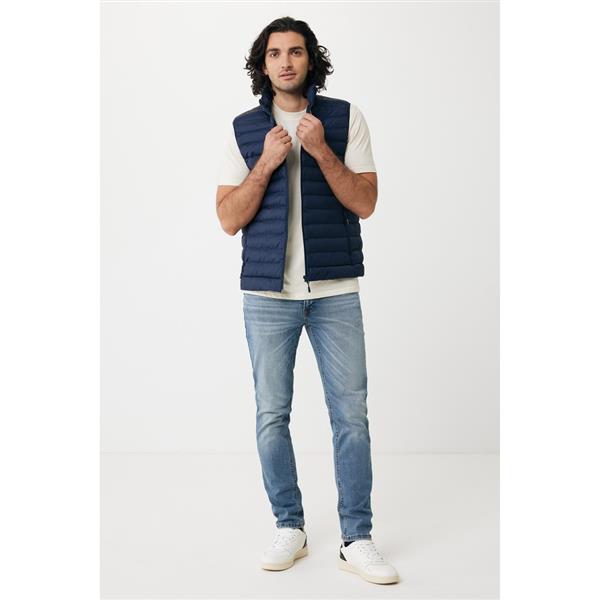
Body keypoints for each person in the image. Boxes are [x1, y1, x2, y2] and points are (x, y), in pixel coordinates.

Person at [216, 17, 400, 585]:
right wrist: (266, 162)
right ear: (263, 64)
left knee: (351, 417)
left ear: (310, 59)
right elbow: (227, 218)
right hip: (267, 295)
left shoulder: (344, 119)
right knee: (271, 416)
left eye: (295, 52)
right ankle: (289, 525)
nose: (286, 62)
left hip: (335, 292)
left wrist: (319, 150)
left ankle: (356, 537)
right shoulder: (244, 130)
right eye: (275, 54)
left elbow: (365, 202)